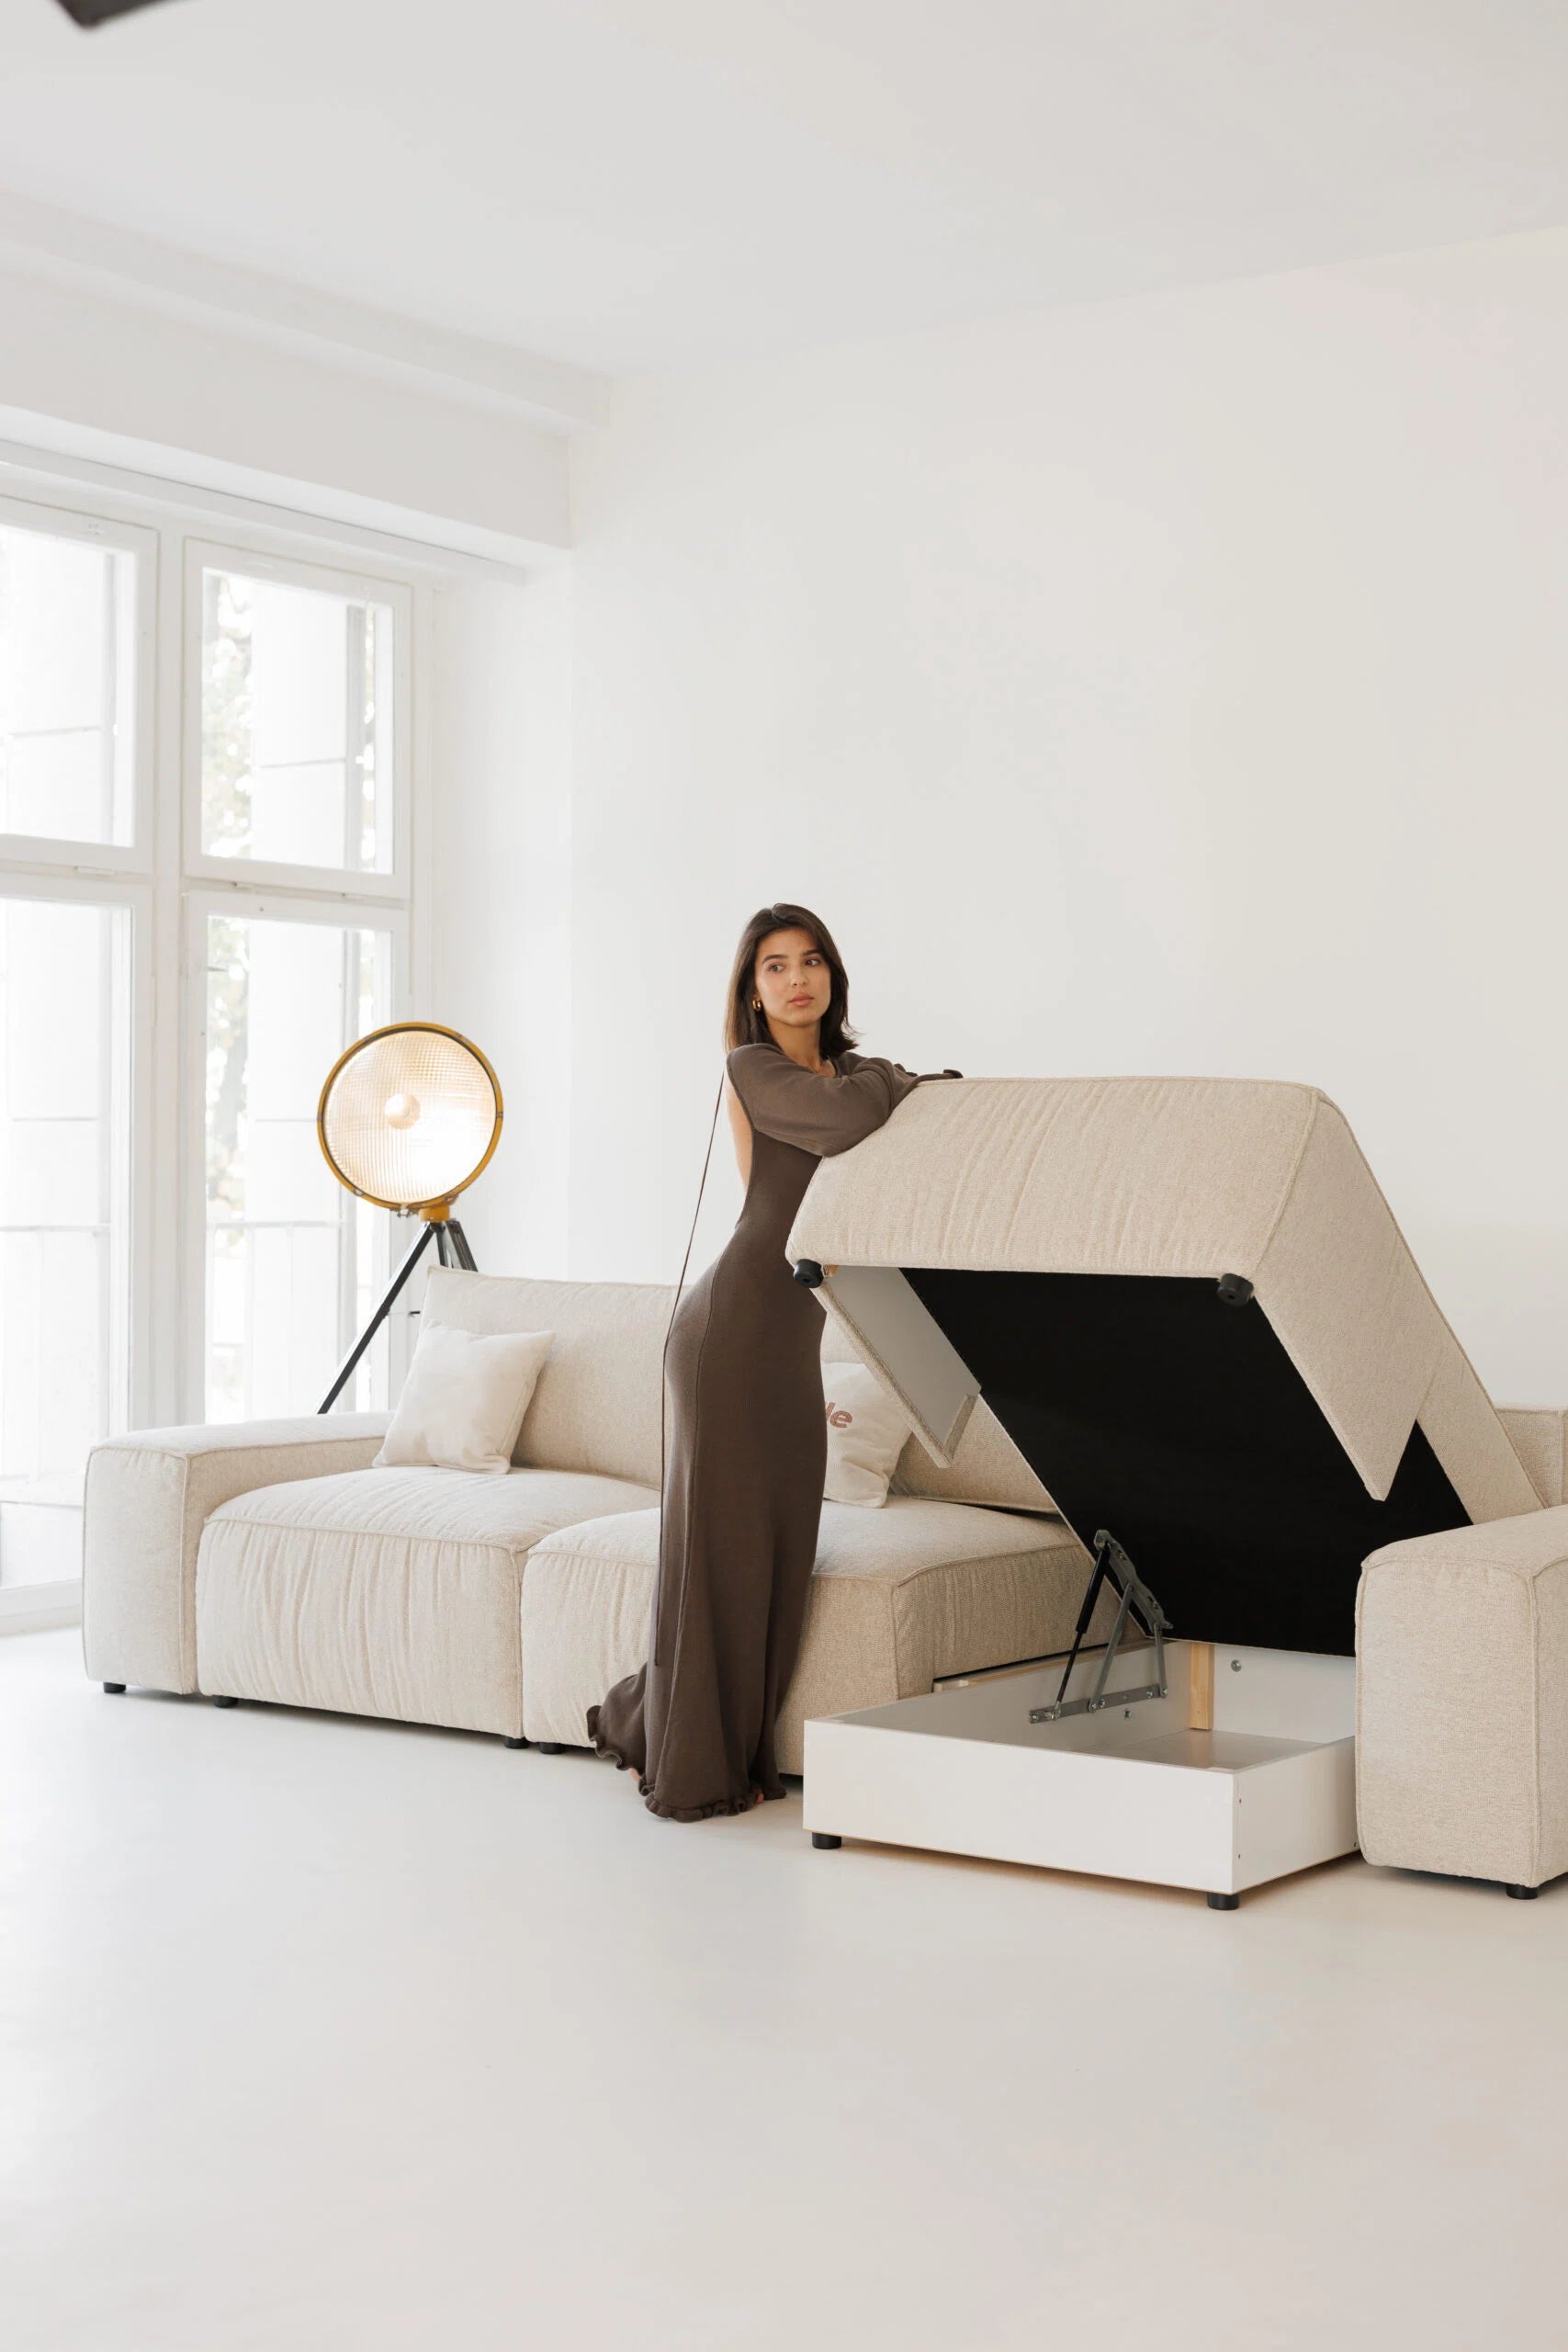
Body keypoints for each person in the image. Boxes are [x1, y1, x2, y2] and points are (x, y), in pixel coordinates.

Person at [586, 901, 962, 1820]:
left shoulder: (849, 1071)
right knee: (714, 1556)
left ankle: (664, 1725)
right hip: (726, 1334)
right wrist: (888, 1083)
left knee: (775, 1554)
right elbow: (850, 1120)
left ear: (833, 976)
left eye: (811, 962)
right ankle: (691, 1765)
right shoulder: (754, 1070)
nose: (797, 980)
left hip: (791, 1340)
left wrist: (891, 1083)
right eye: (774, 967)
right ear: (752, 992)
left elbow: (933, 1094)